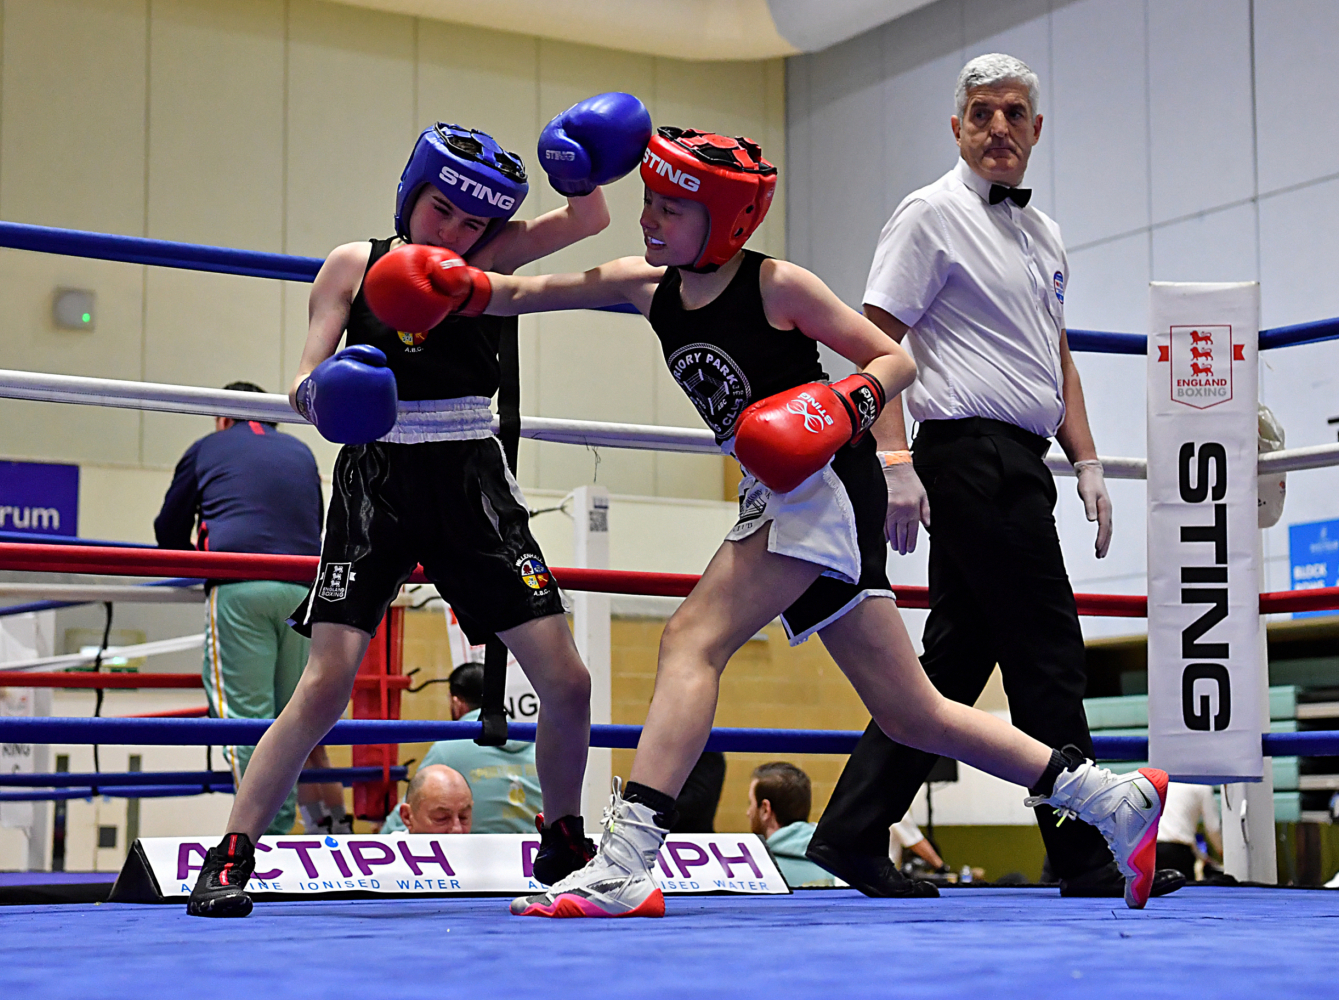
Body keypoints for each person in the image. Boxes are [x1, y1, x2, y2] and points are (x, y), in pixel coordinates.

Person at [378, 124, 1169, 919]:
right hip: (784, 488)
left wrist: (839, 404)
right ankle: (1110, 797)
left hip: (822, 477)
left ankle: (625, 862)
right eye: (648, 201)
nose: (649, 219)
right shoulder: (644, 284)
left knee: (691, 638)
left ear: (723, 221)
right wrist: (453, 285)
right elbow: (524, 293)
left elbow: (894, 359)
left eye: (670, 208)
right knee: (913, 711)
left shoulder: (778, 285)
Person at [186, 94, 653, 918]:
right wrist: (330, 393)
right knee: (325, 684)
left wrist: (579, 165)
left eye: (473, 223)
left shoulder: (493, 259)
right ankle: (233, 853)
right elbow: (301, 379)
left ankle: (565, 839)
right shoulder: (352, 265)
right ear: (411, 193)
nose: (456, 233)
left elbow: (588, 221)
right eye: (442, 209)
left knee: (569, 681)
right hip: (378, 478)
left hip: (472, 478)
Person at [803, 52, 1182, 904]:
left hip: (1022, 460)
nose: (999, 127)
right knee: (1047, 653)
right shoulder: (929, 214)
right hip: (965, 453)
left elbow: (1057, 358)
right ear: (958, 126)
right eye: (982, 112)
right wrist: (893, 459)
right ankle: (1088, 853)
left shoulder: (1042, 235)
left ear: (1036, 129)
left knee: (950, 668)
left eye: (1014, 113)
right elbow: (873, 341)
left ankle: (852, 834)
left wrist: (1086, 459)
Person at [154, 383, 347, 836]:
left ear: (223, 418)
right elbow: (315, 521)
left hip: (240, 588)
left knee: (247, 722)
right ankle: (320, 835)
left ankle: (260, 839)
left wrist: (197, 564)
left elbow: (168, 528)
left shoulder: (208, 447)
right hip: (303, 592)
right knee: (294, 719)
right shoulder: (300, 452)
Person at [379, 662, 542, 834]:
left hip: (475, 857)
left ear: (456, 702)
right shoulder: (538, 744)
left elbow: (409, 813)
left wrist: (377, 843)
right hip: (535, 855)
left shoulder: (449, 747)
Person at [746, 762, 835, 888]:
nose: (748, 812)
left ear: (765, 809)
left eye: (750, 803)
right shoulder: (838, 864)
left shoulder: (753, 873)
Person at [1154, 782, 1221, 880]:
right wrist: (1222, 853)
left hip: (1149, 850)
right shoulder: (1201, 786)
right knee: (1182, 892)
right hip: (1178, 853)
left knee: (1153, 893)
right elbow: (1213, 828)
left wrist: (1201, 855)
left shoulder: (1157, 784)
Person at [389, 765, 473, 834]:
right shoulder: (388, 852)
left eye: (463, 817)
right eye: (442, 818)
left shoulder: (481, 851)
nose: (457, 829)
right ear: (407, 817)